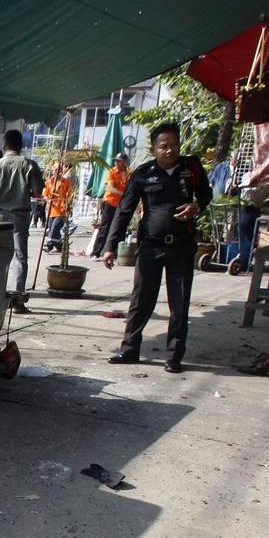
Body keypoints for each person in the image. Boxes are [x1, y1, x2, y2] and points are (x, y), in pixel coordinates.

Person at [101, 122, 212, 374]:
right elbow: (124, 210)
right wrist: (110, 245)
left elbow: (206, 195)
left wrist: (196, 207)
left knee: (179, 303)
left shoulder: (191, 168)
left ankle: (174, 356)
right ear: (154, 149)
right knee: (140, 301)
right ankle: (129, 349)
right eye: (164, 146)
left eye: (174, 144)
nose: (170, 150)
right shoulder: (142, 174)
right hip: (151, 246)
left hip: (182, 247)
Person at [0, 129, 45, 314]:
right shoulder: (29, 165)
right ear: (21, 146)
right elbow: (38, 193)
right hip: (20, 217)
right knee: (19, 258)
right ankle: (17, 302)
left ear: (4, 146)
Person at [90, 152, 132, 259]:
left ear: (125, 162)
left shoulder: (130, 173)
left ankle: (117, 252)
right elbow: (112, 189)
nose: (117, 163)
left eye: (119, 161)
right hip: (110, 202)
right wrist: (127, 195)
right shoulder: (111, 172)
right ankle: (95, 253)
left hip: (122, 204)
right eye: (116, 161)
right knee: (105, 227)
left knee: (121, 228)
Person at [43, 162, 73, 253]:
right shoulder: (48, 182)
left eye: (59, 170)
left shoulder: (66, 182)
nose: (58, 172)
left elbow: (70, 195)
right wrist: (48, 200)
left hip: (62, 210)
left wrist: (69, 206)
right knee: (52, 228)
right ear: (53, 171)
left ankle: (49, 246)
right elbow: (45, 194)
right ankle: (59, 246)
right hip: (52, 210)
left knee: (55, 228)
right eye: (56, 170)